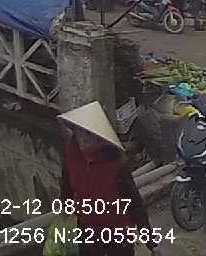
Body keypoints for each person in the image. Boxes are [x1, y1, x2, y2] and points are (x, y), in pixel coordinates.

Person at [58, 102, 158, 255]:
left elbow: (134, 203)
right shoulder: (71, 153)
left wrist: (150, 241)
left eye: (89, 134)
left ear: (100, 138)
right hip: (87, 228)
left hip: (118, 232)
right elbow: (67, 183)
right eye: (80, 132)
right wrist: (64, 208)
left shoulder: (115, 163)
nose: (83, 139)